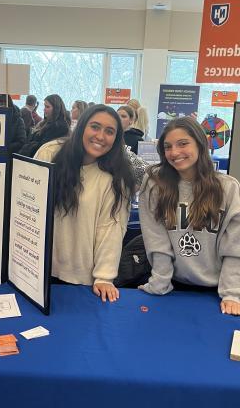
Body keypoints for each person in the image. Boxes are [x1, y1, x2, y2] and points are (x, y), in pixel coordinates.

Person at [139, 117, 240, 315]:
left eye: (183, 144)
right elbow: (156, 239)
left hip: (218, 292)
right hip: (173, 287)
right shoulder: (154, 184)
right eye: (168, 146)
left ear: (200, 144)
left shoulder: (228, 188)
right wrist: (159, 282)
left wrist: (232, 293)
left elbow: (235, 246)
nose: (174, 152)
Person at [35, 104, 135, 302]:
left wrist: (104, 277)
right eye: (95, 127)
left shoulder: (116, 178)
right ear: (81, 126)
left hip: (81, 279)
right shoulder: (50, 154)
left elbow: (111, 229)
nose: (100, 136)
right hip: (39, 269)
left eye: (109, 131)